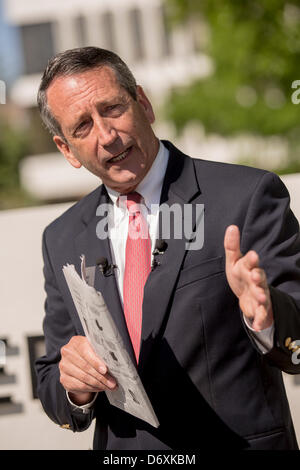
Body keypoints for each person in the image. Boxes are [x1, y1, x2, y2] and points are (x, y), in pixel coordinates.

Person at [35, 47, 300, 450]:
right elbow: (53, 382)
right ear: (66, 149)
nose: (107, 136)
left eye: (113, 109)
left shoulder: (246, 197)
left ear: (143, 102)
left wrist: (265, 316)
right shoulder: (61, 238)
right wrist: (75, 387)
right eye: (83, 126)